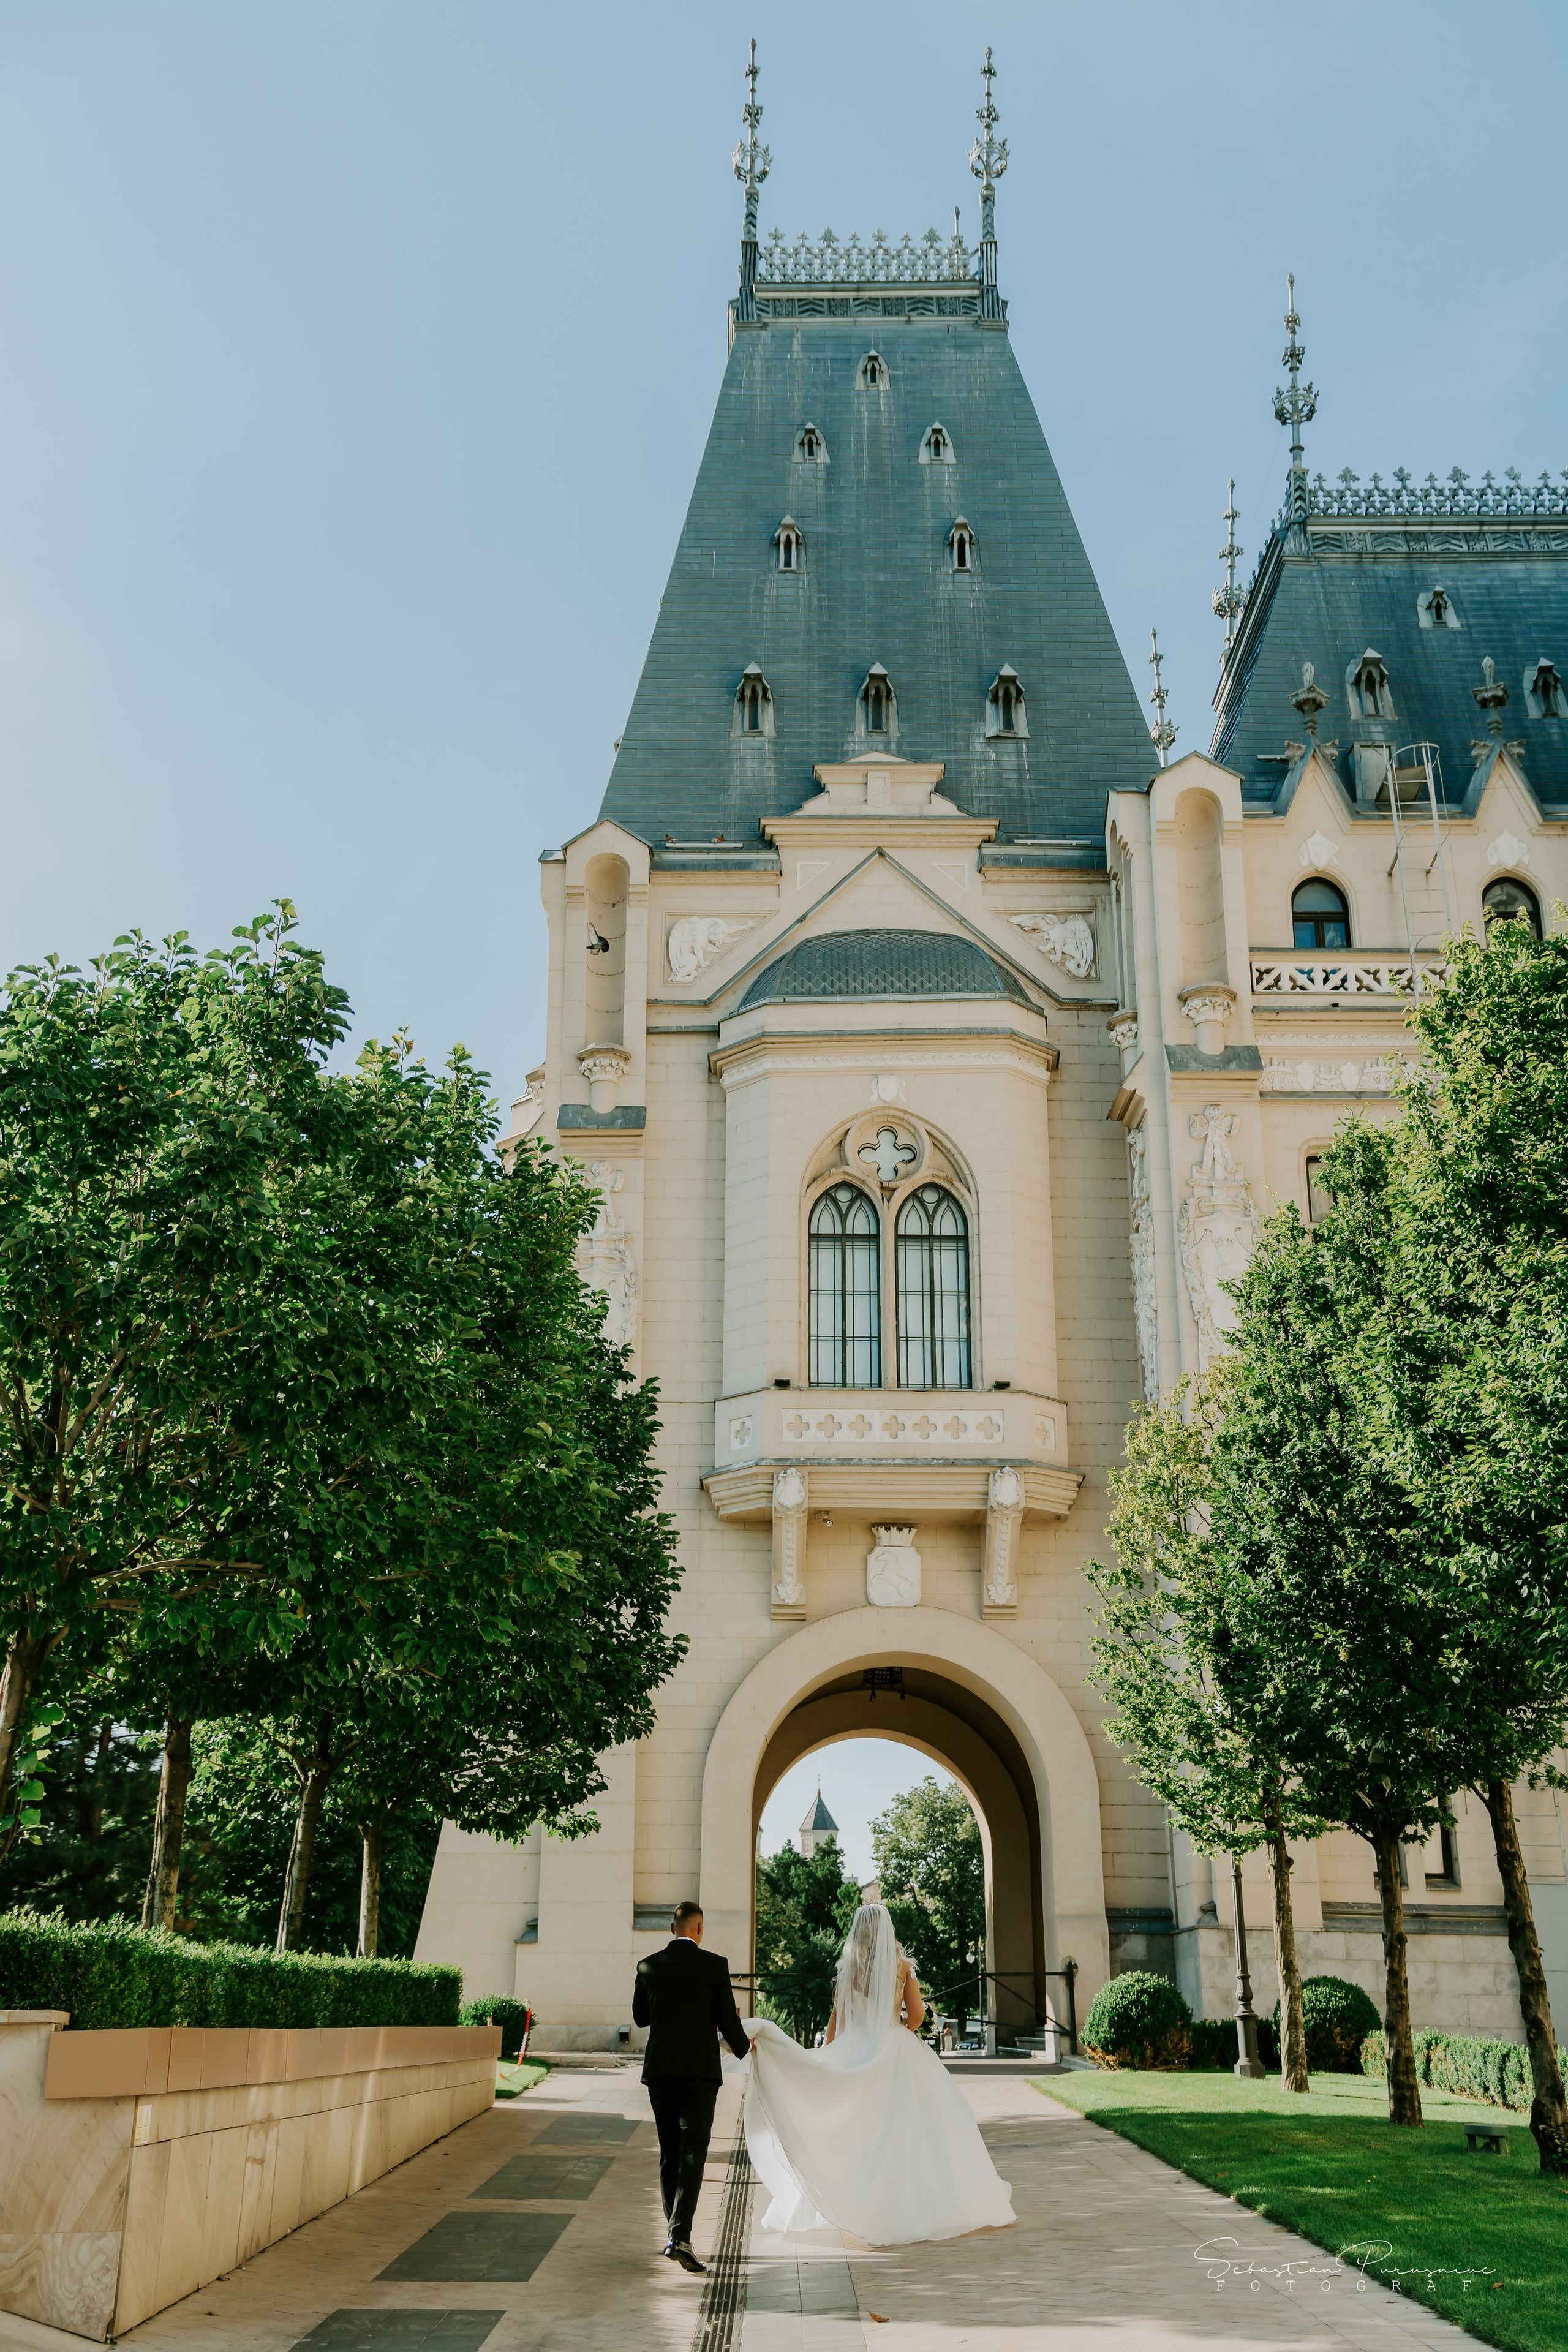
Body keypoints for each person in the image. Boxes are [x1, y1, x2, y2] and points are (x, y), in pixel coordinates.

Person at [742, 1902, 1016, 2245]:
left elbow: (836, 2019)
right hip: (895, 2048)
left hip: (856, 2046)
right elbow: (916, 2018)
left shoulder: (848, 1970)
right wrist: (898, 2022)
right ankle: (915, 2205)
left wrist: (830, 2053)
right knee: (914, 2127)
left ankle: (847, 2203)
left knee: (858, 2129)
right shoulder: (901, 1967)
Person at [632, 1899, 750, 2275]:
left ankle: (675, 2233)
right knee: (694, 2151)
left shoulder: (648, 1966)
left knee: (670, 2152)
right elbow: (727, 2022)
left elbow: (640, 2017)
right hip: (699, 2073)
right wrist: (747, 2047)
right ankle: (679, 2235)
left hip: (661, 2072)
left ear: (673, 1929)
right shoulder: (715, 1966)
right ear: (700, 1929)